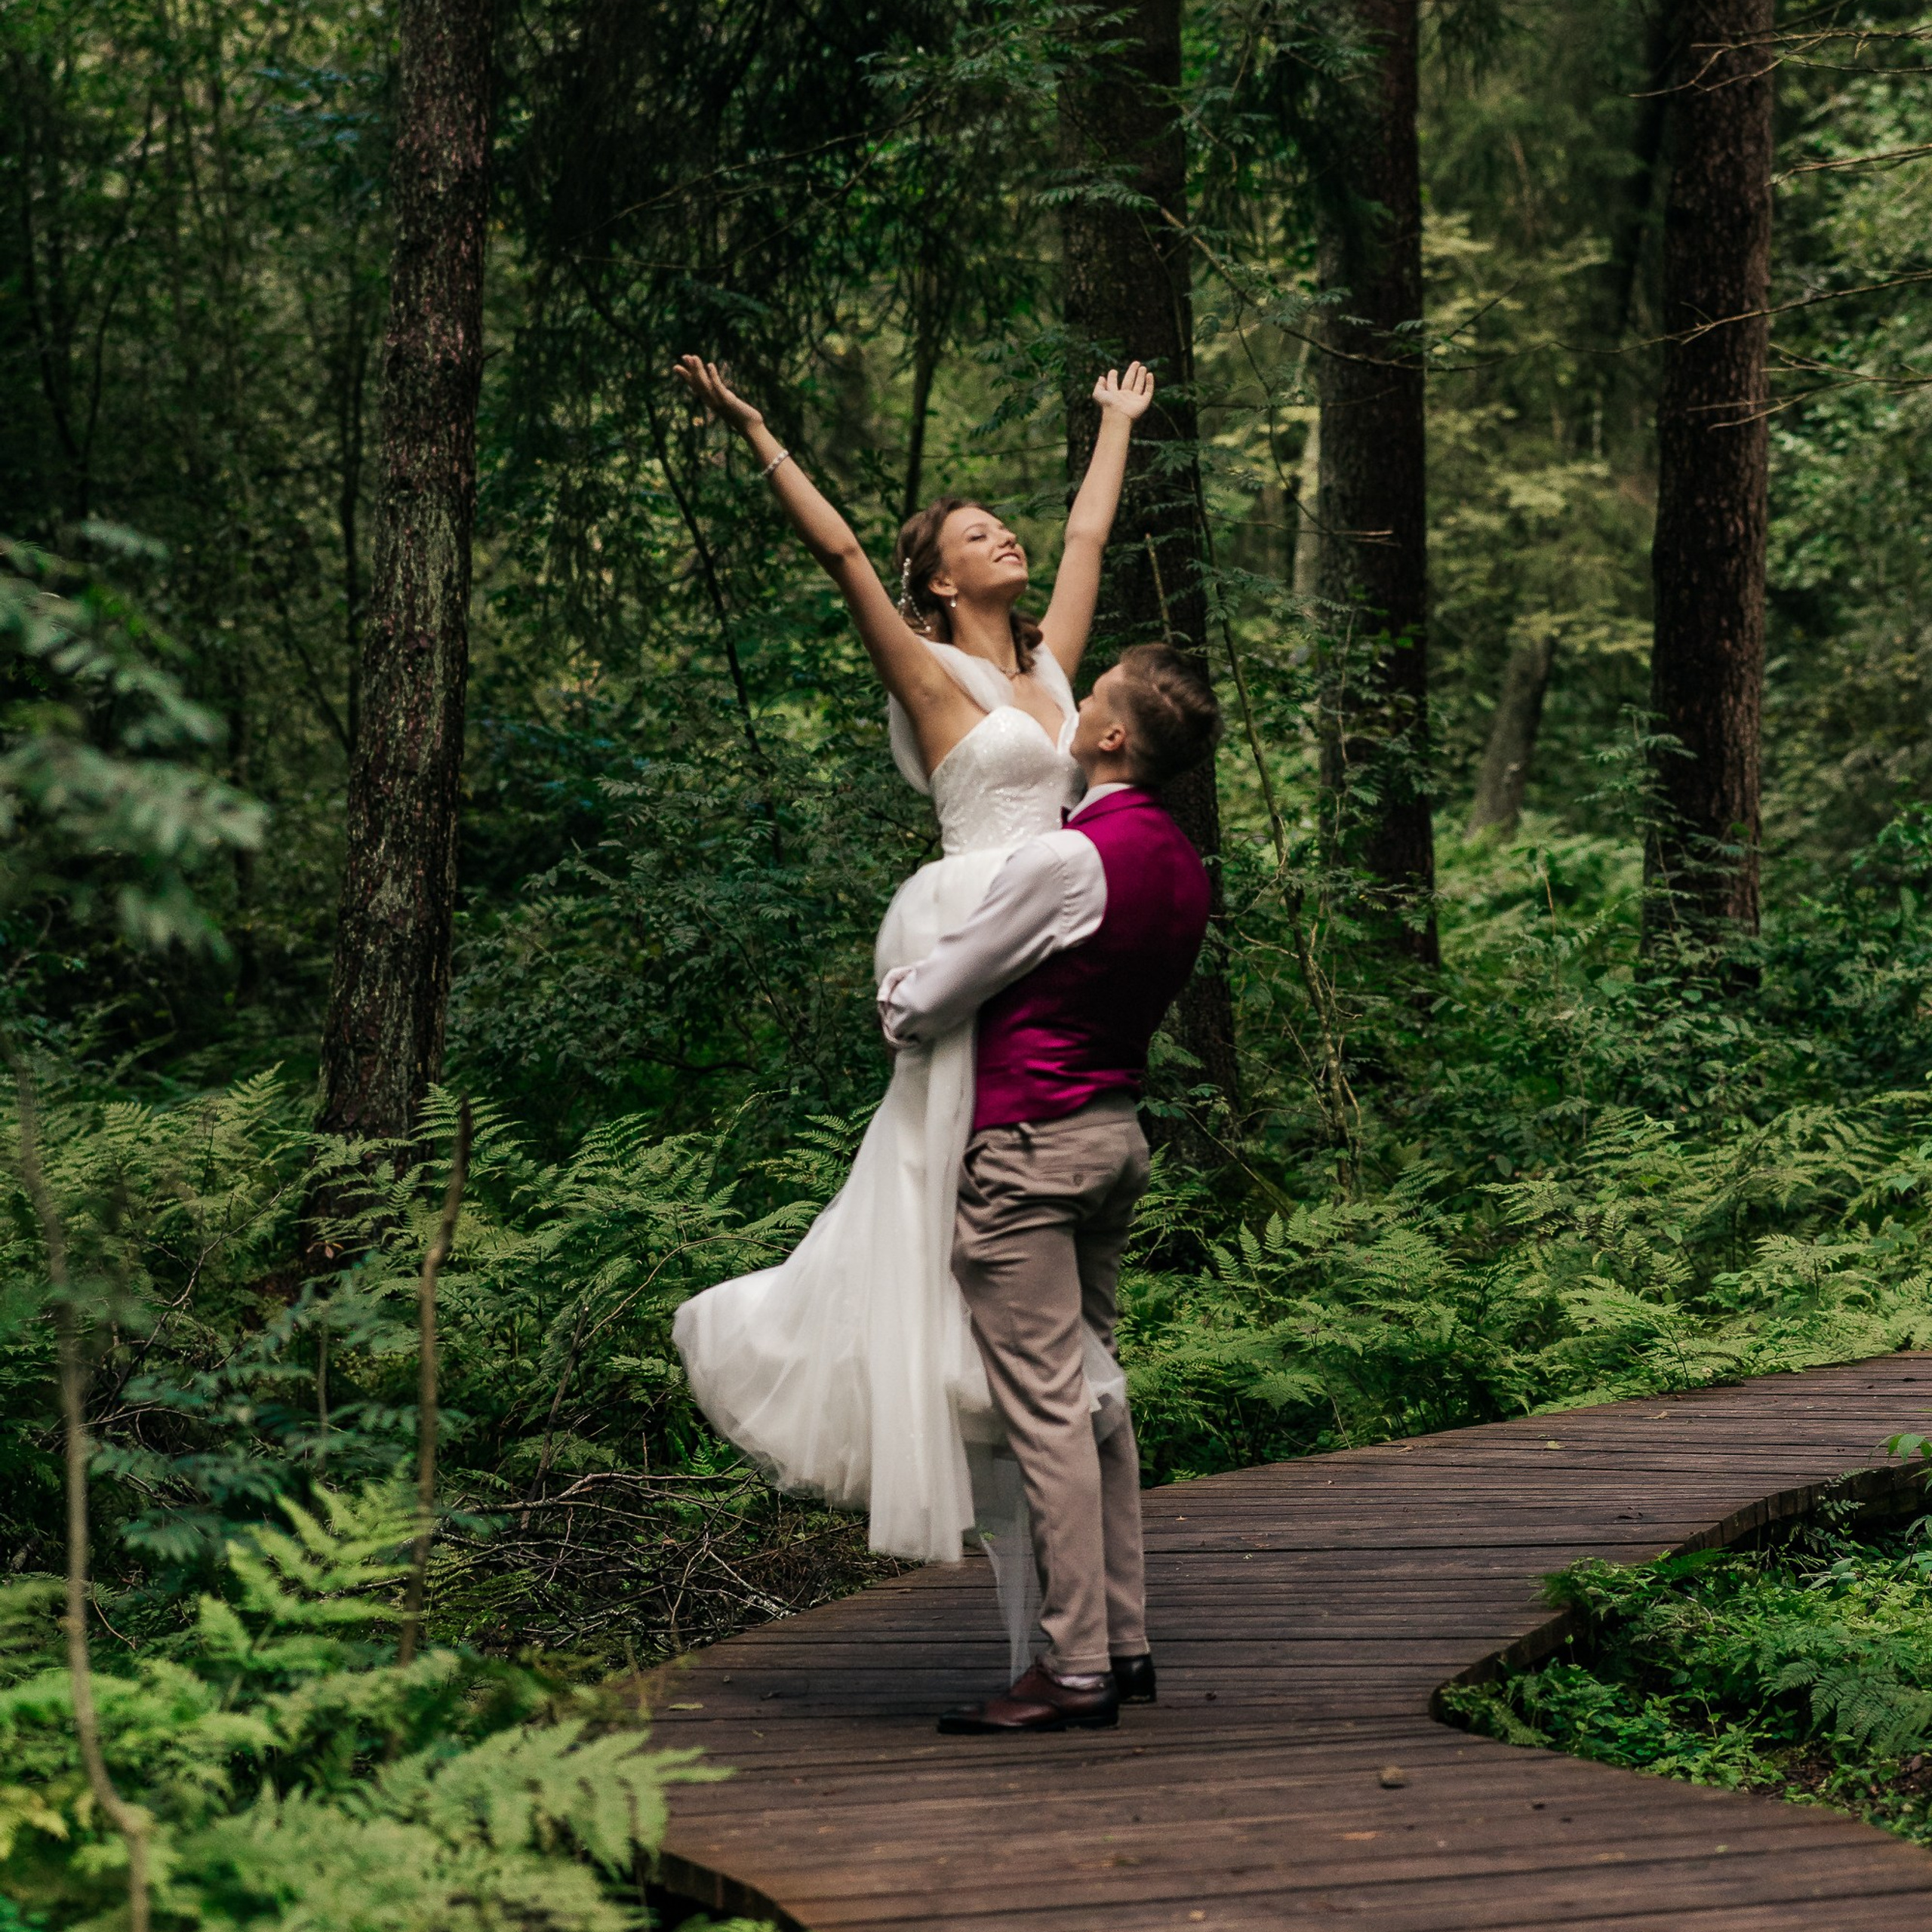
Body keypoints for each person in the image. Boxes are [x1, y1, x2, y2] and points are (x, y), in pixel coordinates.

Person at [668, 354, 1156, 1601]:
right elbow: (839, 558)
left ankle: (1015, 1389)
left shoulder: (1056, 674)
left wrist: (1113, 422)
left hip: (1053, 922)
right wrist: (756, 425)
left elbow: (1093, 528)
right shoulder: (934, 677)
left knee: (1008, 1159)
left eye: (1007, 527)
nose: (1010, 539)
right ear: (939, 578)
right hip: (970, 913)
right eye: (978, 534)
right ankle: (927, 1360)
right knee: (937, 1163)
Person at [877, 645, 1222, 1734]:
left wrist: (898, 984)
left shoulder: (1067, 862)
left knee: (1048, 1412)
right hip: (1115, 1137)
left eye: (1100, 688)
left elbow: (932, 998)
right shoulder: (1178, 860)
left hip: (1032, 1148)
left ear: (1112, 737)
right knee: (1098, 1394)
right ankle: (1125, 1642)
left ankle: (1072, 1667)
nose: (1076, 693)